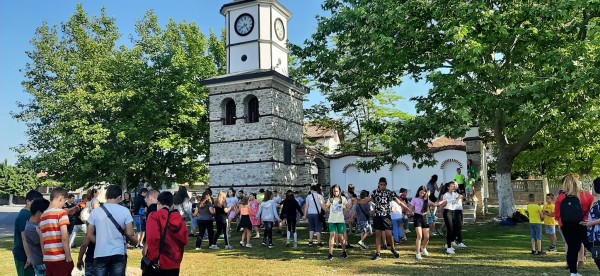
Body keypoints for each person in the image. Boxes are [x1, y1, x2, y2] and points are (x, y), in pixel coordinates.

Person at [355, 177, 411, 260]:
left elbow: (399, 202)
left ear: (386, 185)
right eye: (381, 185)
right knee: (378, 234)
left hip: (386, 216)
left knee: (389, 234)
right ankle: (378, 253)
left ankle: (393, 249)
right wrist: (357, 201)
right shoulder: (375, 192)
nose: (382, 186)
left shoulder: (390, 193)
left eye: (384, 185)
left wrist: (408, 209)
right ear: (378, 184)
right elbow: (365, 201)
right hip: (377, 215)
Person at [86, 185, 138, 276]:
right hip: (118, 251)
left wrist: (100, 242)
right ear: (119, 197)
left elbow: (89, 235)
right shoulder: (125, 211)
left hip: (100, 252)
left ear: (106, 196)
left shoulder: (95, 212)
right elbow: (130, 233)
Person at [555, 174, 599, 275]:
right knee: (592, 247)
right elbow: (593, 209)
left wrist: (562, 223)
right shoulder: (586, 195)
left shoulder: (561, 197)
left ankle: (573, 272)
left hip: (567, 227)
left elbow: (557, 214)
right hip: (584, 224)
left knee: (572, 248)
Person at [143, 191, 189, 276]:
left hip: (159, 262)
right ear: (171, 204)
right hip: (175, 261)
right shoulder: (179, 218)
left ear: (158, 203)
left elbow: (153, 239)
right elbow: (185, 240)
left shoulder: (154, 216)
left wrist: (154, 258)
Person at [40, 187, 74, 275]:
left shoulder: (43, 216)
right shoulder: (61, 213)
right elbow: (64, 237)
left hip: (48, 258)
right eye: (64, 201)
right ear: (61, 198)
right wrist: (68, 256)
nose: (63, 204)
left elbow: (42, 240)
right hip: (60, 256)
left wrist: (45, 255)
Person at [14, 190, 44, 276]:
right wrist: (29, 257)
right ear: (28, 201)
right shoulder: (25, 216)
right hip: (24, 255)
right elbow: (24, 238)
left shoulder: (29, 214)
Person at [23, 198, 50, 276]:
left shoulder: (38, 225)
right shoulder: (31, 228)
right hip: (42, 264)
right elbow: (45, 244)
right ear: (40, 213)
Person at [323, 185, 350, 260]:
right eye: (334, 191)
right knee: (332, 236)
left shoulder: (343, 199)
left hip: (340, 220)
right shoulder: (331, 199)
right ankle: (330, 254)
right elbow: (326, 208)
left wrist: (353, 203)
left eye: (337, 191)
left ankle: (344, 252)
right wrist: (321, 202)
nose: (335, 193)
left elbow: (349, 207)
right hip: (332, 220)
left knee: (341, 237)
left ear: (339, 191)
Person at [411, 186, 438, 260]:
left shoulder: (426, 200)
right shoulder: (414, 199)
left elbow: (435, 204)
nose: (422, 194)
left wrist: (443, 201)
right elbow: (411, 208)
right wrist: (411, 212)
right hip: (417, 217)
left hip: (424, 218)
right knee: (419, 236)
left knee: (427, 237)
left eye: (423, 193)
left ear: (425, 193)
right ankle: (417, 253)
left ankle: (424, 248)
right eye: (420, 192)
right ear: (418, 192)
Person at [439, 181, 461, 254]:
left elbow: (460, 196)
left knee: (455, 228)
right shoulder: (446, 195)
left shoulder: (455, 193)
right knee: (450, 229)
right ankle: (448, 247)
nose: (453, 187)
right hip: (447, 212)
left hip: (453, 212)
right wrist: (458, 198)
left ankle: (449, 244)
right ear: (448, 187)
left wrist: (459, 197)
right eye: (451, 186)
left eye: (453, 186)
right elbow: (454, 202)